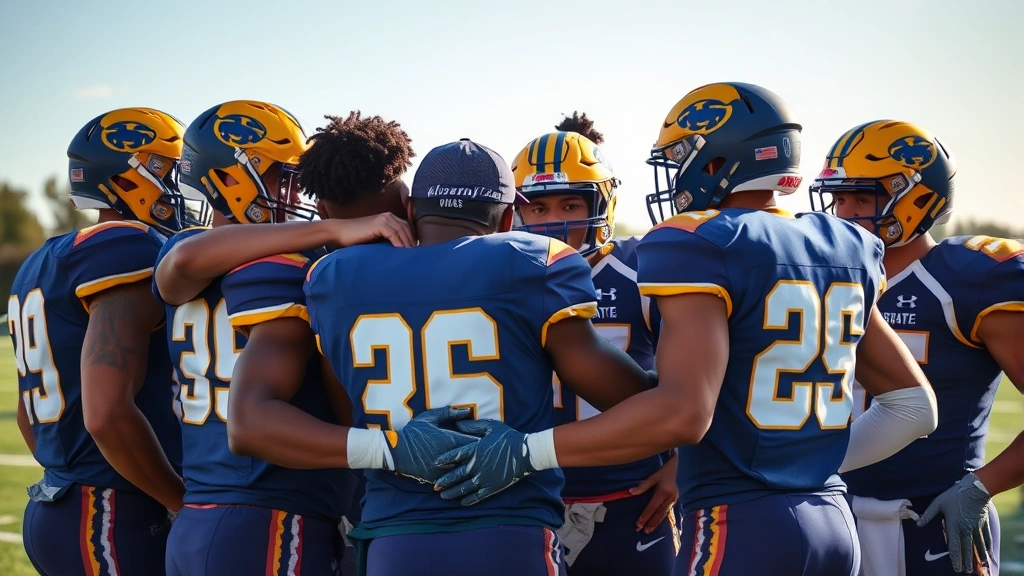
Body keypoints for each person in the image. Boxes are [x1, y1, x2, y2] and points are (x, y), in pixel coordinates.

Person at [432, 83, 940, 576]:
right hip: (832, 520)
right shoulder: (844, 243)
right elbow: (915, 407)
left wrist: (525, 452)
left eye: (679, 159)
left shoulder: (699, 240)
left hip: (740, 523)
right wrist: (804, 461)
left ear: (716, 162)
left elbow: (683, 413)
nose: (675, 176)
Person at [303, 138, 657, 576]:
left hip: (395, 536)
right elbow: (633, 399)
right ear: (509, 218)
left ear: (411, 211)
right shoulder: (537, 262)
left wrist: (394, 446)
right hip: (510, 529)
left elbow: (346, 412)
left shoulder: (333, 274)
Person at [152, 103, 417, 576]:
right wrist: (332, 229)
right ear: (232, 180)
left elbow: (181, 267)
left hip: (206, 510)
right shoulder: (280, 264)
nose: (299, 193)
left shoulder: (195, 250)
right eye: (285, 178)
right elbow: (184, 264)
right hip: (268, 512)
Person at [810, 119, 1024, 576]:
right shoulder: (820, 278)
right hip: (831, 512)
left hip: (935, 519)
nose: (843, 213)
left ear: (917, 199)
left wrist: (981, 487)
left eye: (862, 198)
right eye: (838, 198)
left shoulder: (970, 277)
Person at [9, 107, 193, 575]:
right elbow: (106, 413)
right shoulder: (126, 246)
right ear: (126, 178)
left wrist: (70, 473)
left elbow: (27, 415)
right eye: (167, 169)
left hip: (62, 500)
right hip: (111, 513)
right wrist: (179, 502)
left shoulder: (41, 261)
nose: (180, 184)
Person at [510, 112, 679, 575]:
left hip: (633, 497)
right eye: (538, 209)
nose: (554, 222)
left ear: (601, 203)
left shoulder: (642, 268)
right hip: (533, 496)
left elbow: (710, 373)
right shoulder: (501, 276)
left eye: (570, 205)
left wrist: (686, 464)